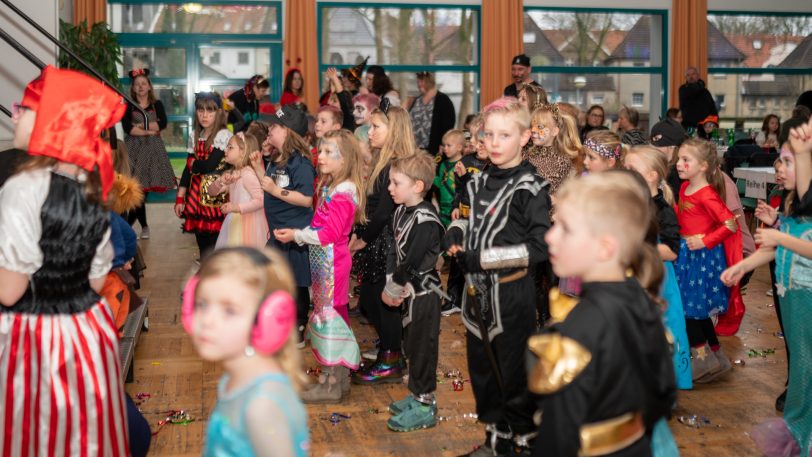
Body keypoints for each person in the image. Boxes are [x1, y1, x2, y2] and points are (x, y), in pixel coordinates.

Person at [0, 65, 129, 455]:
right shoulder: (91, 189)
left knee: (35, 435)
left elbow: (9, 291)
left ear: (53, 122)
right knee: (82, 434)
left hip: (34, 338)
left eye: (24, 108)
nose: (15, 114)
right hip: (87, 331)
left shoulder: (21, 188)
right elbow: (93, 281)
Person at [529, 171, 676, 457]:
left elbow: (558, 432)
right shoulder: (641, 299)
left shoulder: (582, 326)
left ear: (605, 247)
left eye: (565, 229)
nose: (549, 235)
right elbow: (664, 394)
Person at [444, 98, 551, 455]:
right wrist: (454, 233)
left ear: (525, 138)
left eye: (504, 135)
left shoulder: (531, 186)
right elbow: (464, 218)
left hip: (511, 295)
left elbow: (539, 248)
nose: (493, 142)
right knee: (483, 373)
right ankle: (496, 439)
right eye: (488, 134)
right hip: (476, 298)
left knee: (514, 374)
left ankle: (525, 441)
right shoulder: (477, 181)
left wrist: (482, 259)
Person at [721, 120, 812, 457]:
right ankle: (801, 432)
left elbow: (792, 242)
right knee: (802, 371)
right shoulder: (791, 203)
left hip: (809, 299)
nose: (779, 167)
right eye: (782, 160)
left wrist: (778, 235)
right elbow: (777, 247)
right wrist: (743, 266)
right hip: (793, 300)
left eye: (788, 161)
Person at [184, 247, 310, 456]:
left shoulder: (262, 407)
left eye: (229, 310)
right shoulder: (239, 377)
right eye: (202, 304)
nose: (207, 320)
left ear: (266, 320)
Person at [274, 130, 365, 403]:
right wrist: (300, 231)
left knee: (330, 322)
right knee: (331, 320)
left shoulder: (343, 194)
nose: (320, 156)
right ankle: (337, 380)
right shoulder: (332, 187)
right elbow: (319, 226)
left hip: (332, 267)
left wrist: (296, 235)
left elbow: (328, 235)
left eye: (328, 153)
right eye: (321, 151)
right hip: (323, 265)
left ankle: (332, 384)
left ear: (345, 159)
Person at [350, 106, 416, 384]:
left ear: (394, 131)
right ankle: (391, 347)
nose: (370, 132)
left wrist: (363, 240)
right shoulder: (382, 160)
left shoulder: (395, 164)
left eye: (376, 126)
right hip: (376, 238)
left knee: (381, 299)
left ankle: (391, 359)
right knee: (371, 297)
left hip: (384, 241)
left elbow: (384, 212)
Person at [383, 153, 445, 432]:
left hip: (423, 295)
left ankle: (424, 404)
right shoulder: (400, 210)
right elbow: (393, 251)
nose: (390, 188)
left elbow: (410, 262)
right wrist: (391, 283)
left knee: (423, 348)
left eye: (396, 183)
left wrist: (392, 288)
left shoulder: (426, 220)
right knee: (411, 345)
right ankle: (416, 394)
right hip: (407, 291)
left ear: (417, 186)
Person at [674, 138, 742, 383]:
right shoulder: (684, 189)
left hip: (700, 257)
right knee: (696, 310)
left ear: (703, 166)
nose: (679, 164)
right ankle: (717, 357)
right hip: (686, 253)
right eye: (679, 159)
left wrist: (706, 241)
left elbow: (730, 224)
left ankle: (702, 359)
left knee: (688, 309)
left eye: (685, 160)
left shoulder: (707, 195)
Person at [624, 146, 693, 390]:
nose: (626, 172)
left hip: (658, 281)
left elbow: (672, 251)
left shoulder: (663, 210)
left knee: (662, 329)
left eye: (632, 169)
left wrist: (637, 247)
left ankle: (663, 385)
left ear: (652, 175)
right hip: (633, 277)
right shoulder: (629, 203)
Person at [251, 104, 316, 347]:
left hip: (295, 235)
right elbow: (268, 186)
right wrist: (259, 169)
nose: (270, 129)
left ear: (288, 132)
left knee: (297, 282)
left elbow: (306, 199)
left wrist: (276, 190)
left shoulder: (301, 163)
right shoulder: (277, 159)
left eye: (275, 127)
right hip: (278, 233)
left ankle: (299, 325)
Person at [122, 68, 177, 240]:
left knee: (143, 191)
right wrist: (148, 130)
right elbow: (127, 129)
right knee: (137, 189)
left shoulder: (157, 105)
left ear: (149, 86)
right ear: (133, 88)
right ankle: (142, 226)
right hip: (134, 151)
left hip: (153, 151)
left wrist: (140, 128)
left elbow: (162, 125)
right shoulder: (128, 105)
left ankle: (129, 227)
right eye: (137, 84)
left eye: (143, 83)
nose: (140, 87)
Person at [176, 92, 232, 258]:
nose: (204, 115)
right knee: (201, 241)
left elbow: (209, 166)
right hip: (195, 197)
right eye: (200, 110)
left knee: (215, 244)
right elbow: (187, 171)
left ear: (218, 113)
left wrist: (193, 164)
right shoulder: (195, 135)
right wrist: (180, 198)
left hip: (215, 196)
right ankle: (205, 273)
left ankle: (215, 277)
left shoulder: (223, 135)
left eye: (210, 111)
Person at [207, 133, 269, 249]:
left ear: (243, 151)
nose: (226, 150)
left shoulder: (248, 174)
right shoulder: (234, 173)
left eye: (230, 147)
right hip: (235, 222)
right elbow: (211, 192)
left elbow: (261, 200)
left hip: (249, 225)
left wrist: (236, 207)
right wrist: (220, 181)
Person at [525, 103, 579, 194]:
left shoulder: (561, 162)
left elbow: (543, 193)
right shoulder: (526, 154)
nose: (533, 130)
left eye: (540, 127)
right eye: (532, 126)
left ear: (554, 131)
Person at [408, 72, 456, 156]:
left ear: (430, 82)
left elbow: (448, 125)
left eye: (422, 81)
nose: (419, 84)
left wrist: (443, 144)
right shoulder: (417, 100)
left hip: (435, 151)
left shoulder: (443, 100)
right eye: (418, 82)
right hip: (415, 150)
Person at [649, 117, 687, 199]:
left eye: (656, 139)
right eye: (651, 141)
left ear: (672, 146)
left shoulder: (676, 174)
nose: (652, 146)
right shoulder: (663, 167)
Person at [434, 129, 466, 227]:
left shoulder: (464, 165)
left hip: (456, 209)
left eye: (449, 145)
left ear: (459, 147)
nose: (445, 148)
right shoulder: (443, 164)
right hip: (443, 208)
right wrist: (430, 175)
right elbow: (440, 184)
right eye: (444, 145)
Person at [678, 66, 717, 130]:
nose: (691, 77)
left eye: (693, 74)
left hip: (705, 127)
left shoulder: (705, 91)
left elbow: (712, 108)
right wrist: (701, 83)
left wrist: (715, 121)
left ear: (698, 76)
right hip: (688, 127)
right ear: (685, 78)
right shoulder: (683, 89)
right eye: (688, 75)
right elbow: (694, 90)